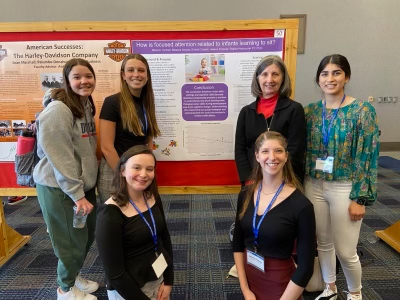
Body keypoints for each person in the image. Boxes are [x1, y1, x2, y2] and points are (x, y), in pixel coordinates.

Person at [304, 54, 379, 300]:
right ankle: (330, 288)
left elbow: (367, 155)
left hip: (345, 187)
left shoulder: (362, 111)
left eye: (336, 72)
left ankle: (355, 294)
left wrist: (360, 197)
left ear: (347, 77)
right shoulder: (310, 112)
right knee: (323, 243)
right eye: (324, 73)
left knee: (346, 251)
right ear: (318, 79)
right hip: (314, 184)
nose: (330, 78)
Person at [33, 58, 99, 300]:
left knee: (85, 237)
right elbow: (60, 156)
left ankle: (73, 276)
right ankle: (64, 289)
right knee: (70, 242)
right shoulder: (59, 110)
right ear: (67, 81)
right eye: (77, 77)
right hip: (60, 188)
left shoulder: (86, 104)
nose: (84, 81)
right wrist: (77, 193)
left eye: (88, 76)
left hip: (81, 186)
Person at [233, 131, 316, 300]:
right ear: (257, 156)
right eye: (265, 151)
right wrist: (245, 290)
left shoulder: (301, 205)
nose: (272, 157)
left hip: (280, 286)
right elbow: (238, 242)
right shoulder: (246, 194)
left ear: (286, 156)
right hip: (250, 277)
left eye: (278, 151)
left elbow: (306, 267)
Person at [96, 145, 173, 300]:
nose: (143, 174)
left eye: (149, 169)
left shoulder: (152, 197)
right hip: (129, 290)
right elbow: (115, 274)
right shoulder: (110, 213)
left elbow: (164, 238)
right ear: (122, 171)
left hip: (157, 279)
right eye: (136, 168)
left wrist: (168, 281)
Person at [98, 54, 160, 203]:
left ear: (147, 75)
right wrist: (124, 174)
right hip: (116, 171)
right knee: (116, 220)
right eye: (131, 70)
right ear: (123, 75)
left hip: (138, 172)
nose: (136, 74)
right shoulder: (112, 102)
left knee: (138, 218)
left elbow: (148, 137)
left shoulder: (147, 102)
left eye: (141, 70)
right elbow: (106, 147)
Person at [235, 55, 306, 186]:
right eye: (264, 74)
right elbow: (240, 149)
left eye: (275, 74)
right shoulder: (246, 112)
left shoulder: (294, 109)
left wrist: (281, 179)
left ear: (283, 78)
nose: (269, 79)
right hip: (253, 180)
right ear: (257, 78)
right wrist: (249, 179)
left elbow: (295, 150)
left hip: (285, 180)